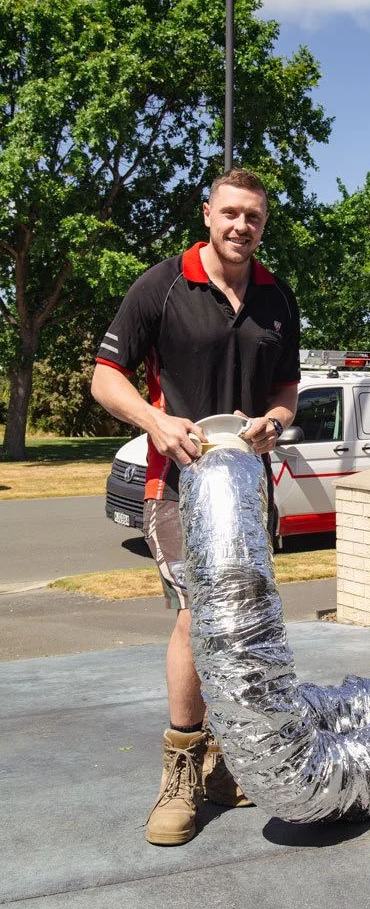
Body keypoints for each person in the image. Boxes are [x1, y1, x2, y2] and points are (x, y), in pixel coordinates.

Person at [91, 168, 300, 846]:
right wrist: (156, 421)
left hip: (247, 491)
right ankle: (180, 772)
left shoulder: (276, 297)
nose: (242, 226)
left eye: (255, 219)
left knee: (242, 623)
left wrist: (273, 418)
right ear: (207, 212)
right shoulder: (162, 284)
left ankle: (222, 761)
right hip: (176, 485)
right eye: (231, 213)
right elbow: (104, 377)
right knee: (198, 611)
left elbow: (286, 390)